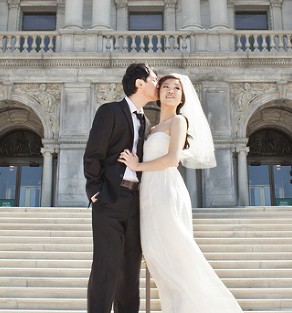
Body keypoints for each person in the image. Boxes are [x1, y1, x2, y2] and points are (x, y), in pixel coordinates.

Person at [119, 74, 243, 313]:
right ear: (158, 93)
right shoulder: (151, 128)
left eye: (176, 88)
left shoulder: (178, 121)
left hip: (166, 190)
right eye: (165, 86)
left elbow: (172, 159)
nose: (170, 91)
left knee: (176, 252)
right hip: (148, 194)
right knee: (155, 254)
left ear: (182, 97)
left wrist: (138, 166)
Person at [84, 63, 159, 313]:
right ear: (139, 83)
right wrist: (95, 190)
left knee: (130, 270)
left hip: (136, 202)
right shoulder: (110, 111)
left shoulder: (146, 121)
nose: (157, 84)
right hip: (110, 198)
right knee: (106, 267)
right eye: (154, 79)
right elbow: (93, 153)